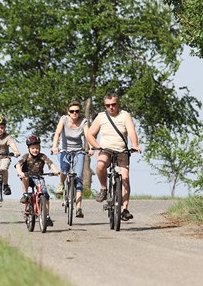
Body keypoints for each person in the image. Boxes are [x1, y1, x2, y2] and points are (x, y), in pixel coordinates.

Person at [86, 93, 141, 221]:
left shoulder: (125, 115)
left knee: (125, 177)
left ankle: (125, 209)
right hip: (106, 149)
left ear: (118, 104)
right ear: (105, 106)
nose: (111, 107)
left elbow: (132, 131)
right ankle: (104, 189)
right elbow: (90, 134)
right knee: (100, 165)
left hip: (122, 150)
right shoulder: (101, 117)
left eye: (113, 104)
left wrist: (135, 145)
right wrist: (97, 147)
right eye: (108, 105)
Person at [51, 100, 94, 218]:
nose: (75, 113)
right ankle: (61, 183)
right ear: (68, 112)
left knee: (78, 178)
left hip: (78, 151)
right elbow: (57, 133)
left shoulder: (83, 122)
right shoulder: (63, 119)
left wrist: (91, 147)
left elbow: (88, 135)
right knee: (64, 169)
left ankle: (79, 208)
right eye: (72, 111)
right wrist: (55, 146)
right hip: (64, 150)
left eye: (77, 111)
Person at [15, 135, 60, 226]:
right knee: (26, 177)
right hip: (28, 177)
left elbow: (50, 164)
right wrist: (20, 172)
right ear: (28, 148)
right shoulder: (26, 157)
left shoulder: (42, 156)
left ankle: (46, 215)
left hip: (39, 177)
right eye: (33, 148)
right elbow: (18, 165)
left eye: (37, 148)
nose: (35, 150)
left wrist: (55, 171)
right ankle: (25, 194)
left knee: (45, 195)